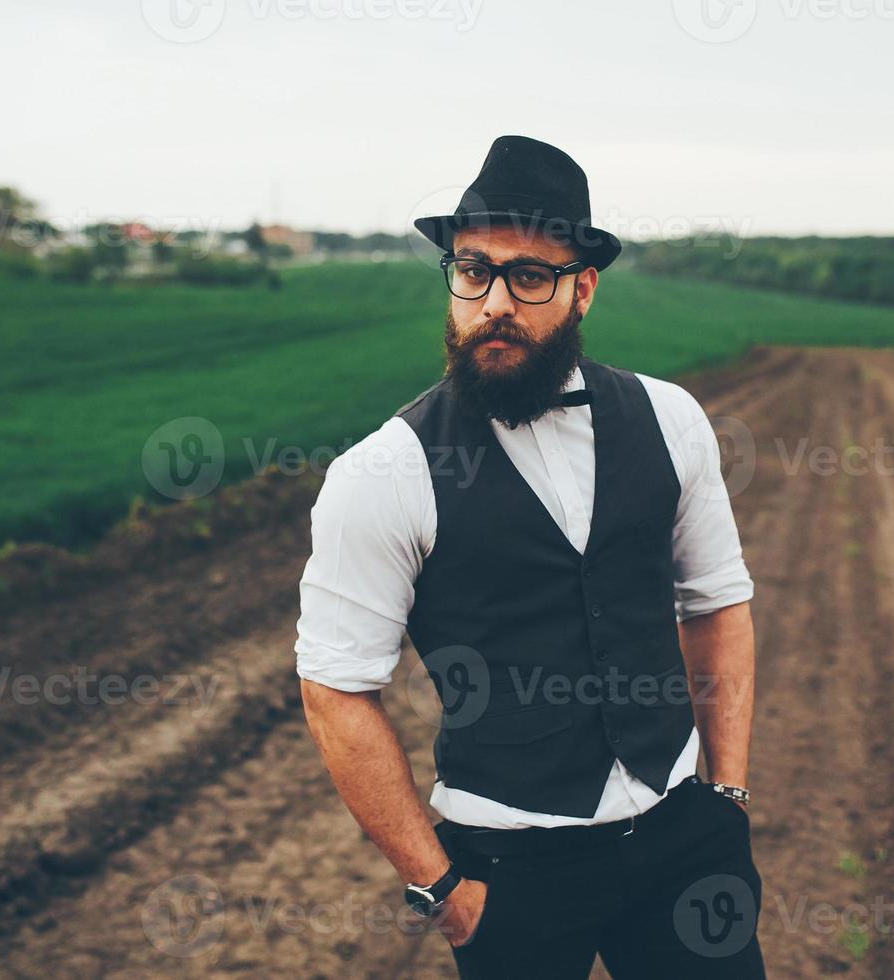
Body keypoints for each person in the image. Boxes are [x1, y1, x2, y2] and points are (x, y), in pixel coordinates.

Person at [296, 134, 766, 979]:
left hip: (681, 839)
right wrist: (440, 888)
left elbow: (718, 603)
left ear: (583, 289)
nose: (493, 302)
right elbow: (335, 693)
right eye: (473, 270)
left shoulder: (671, 419)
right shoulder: (383, 473)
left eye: (529, 276)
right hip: (508, 870)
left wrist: (724, 796)